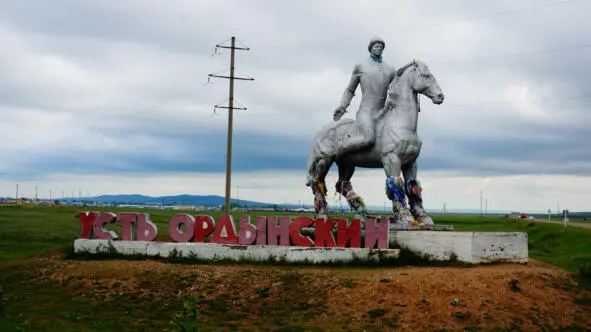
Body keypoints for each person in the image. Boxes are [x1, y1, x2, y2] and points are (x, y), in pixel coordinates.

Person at [333, 37, 396, 157]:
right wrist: (342, 105)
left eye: (381, 46)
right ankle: (341, 149)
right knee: (368, 138)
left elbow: (396, 90)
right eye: (375, 45)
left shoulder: (389, 69)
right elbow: (350, 89)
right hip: (366, 112)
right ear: (370, 48)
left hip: (383, 113)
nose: (378, 47)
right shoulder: (360, 66)